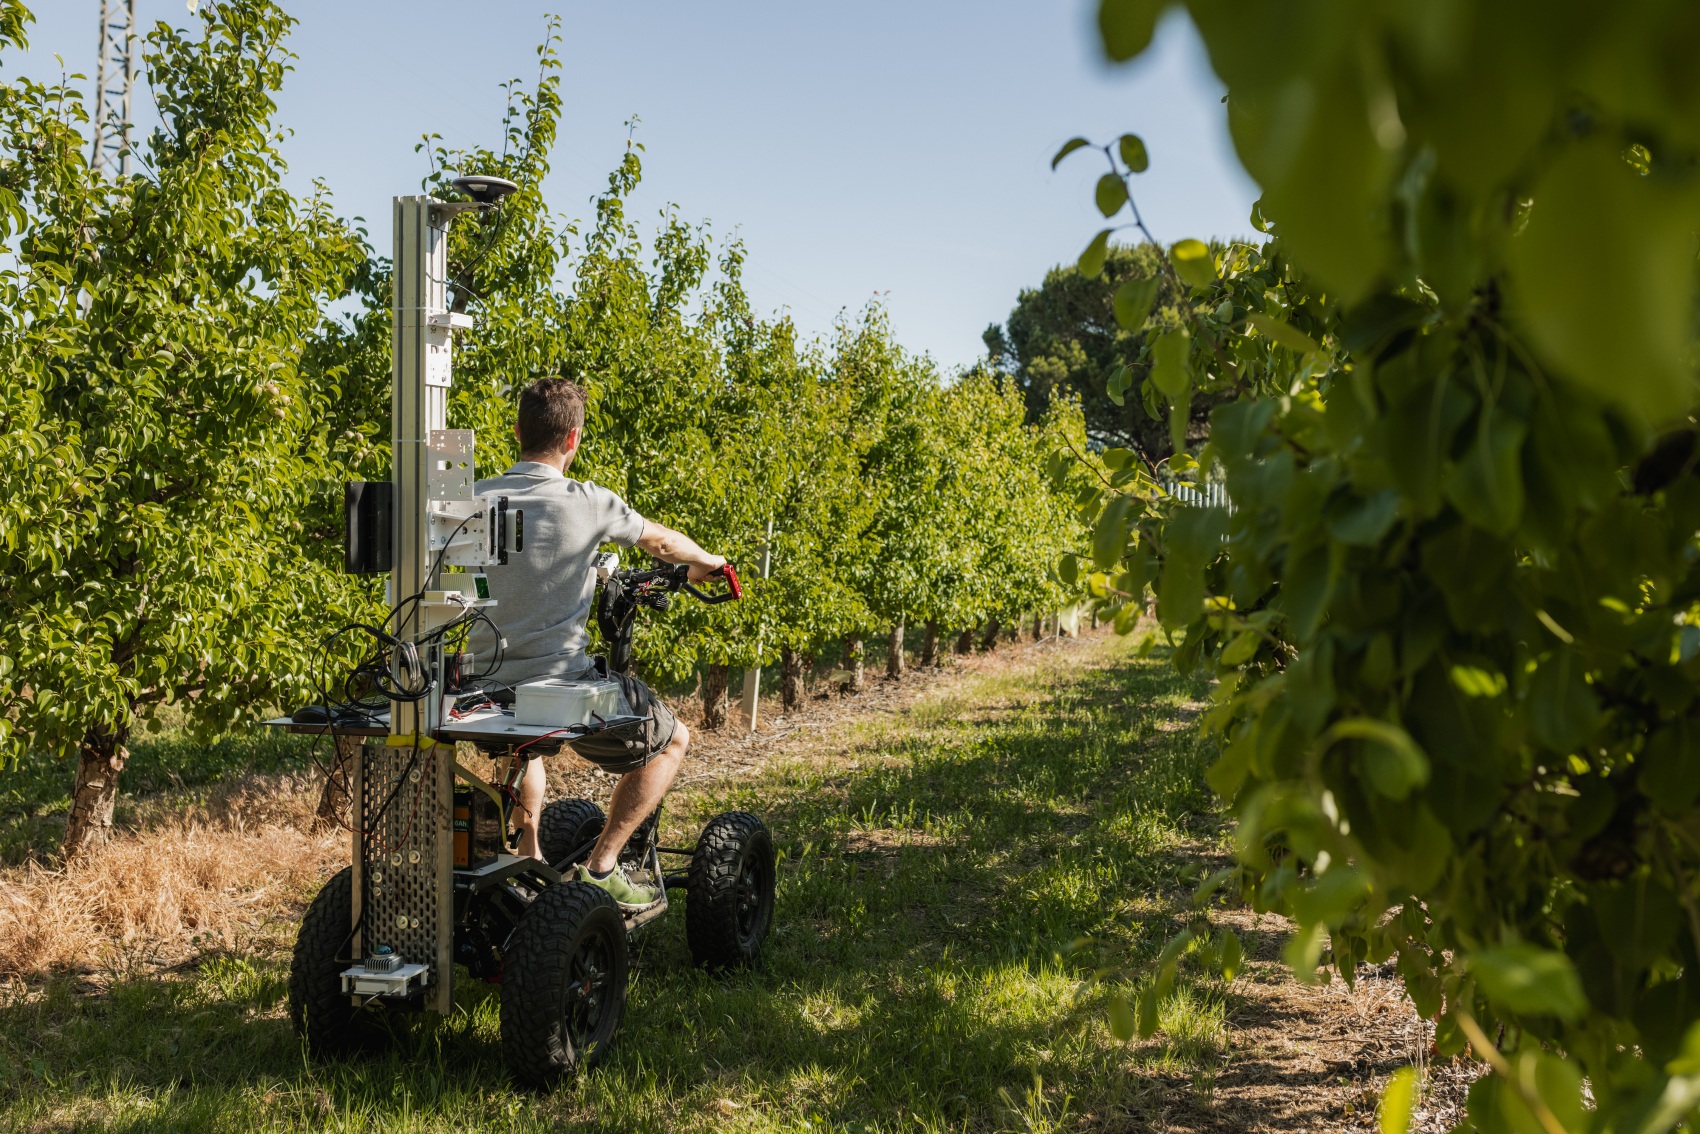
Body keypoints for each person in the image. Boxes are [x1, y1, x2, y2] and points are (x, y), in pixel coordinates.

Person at [469, 377, 725, 910]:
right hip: (561, 685)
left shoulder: (475, 495)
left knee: (525, 741)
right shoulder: (589, 501)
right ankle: (603, 866)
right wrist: (707, 563)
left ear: (517, 432)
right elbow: (661, 542)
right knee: (672, 739)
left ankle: (531, 856)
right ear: (573, 439)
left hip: (481, 687)